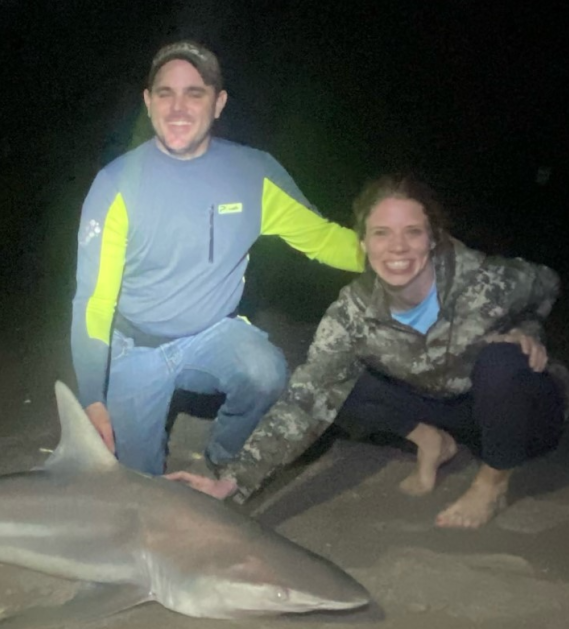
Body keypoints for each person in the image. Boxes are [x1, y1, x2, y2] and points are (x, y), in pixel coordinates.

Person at [168, 174, 569, 529]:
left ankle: (492, 482)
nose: (397, 247)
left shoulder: (483, 279)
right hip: (450, 406)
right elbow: (304, 402)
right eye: (382, 233)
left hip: (528, 413)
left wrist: (526, 329)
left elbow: (547, 284)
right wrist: (233, 480)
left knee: (502, 363)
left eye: (412, 232)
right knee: (328, 381)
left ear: (432, 238)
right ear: (363, 242)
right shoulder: (353, 313)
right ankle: (431, 440)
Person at [71, 40, 365, 476]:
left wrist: (398, 255)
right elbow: (94, 300)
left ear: (219, 103)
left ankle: (225, 456)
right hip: (136, 346)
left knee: (265, 372)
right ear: (148, 103)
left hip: (211, 335)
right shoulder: (115, 185)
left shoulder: (254, 173)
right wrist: (92, 398)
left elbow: (323, 240)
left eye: (195, 92)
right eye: (165, 93)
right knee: (138, 483)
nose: (178, 107)